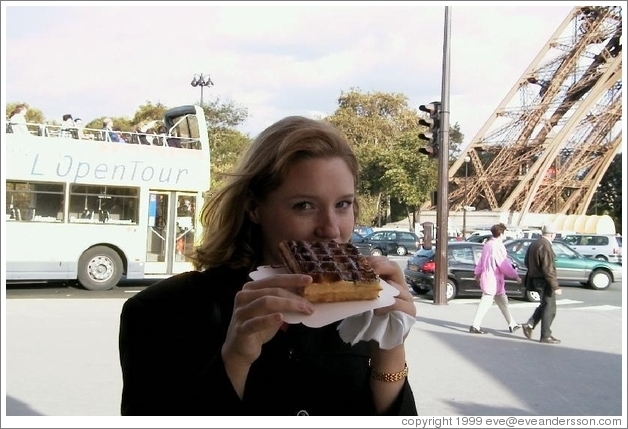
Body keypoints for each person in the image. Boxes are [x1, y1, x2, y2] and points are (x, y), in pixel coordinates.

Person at [118, 116, 418, 416]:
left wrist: (389, 347)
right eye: (304, 205)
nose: (331, 229)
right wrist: (234, 359)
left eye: (343, 204)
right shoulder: (161, 310)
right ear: (254, 208)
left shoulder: (360, 313)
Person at [469, 223, 522, 334]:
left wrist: (477, 273)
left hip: (489, 277)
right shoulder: (498, 246)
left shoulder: (488, 244)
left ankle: (512, 323)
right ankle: (475, 325)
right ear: (501, 233)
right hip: (494, 279)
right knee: (488, 302)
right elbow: (504, 264)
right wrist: (515, 275)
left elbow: (481, 262)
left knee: (502, 302)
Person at [521, 224, 562, 344]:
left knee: (545, 305)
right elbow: (548, 268)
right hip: (544, 280)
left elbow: (526, 261)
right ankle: (545, 335)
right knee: (550, 308)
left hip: (536, 278)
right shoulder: (546, 246)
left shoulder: (535, 244)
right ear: (553, 235)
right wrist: (555, 286)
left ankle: (530, 325)